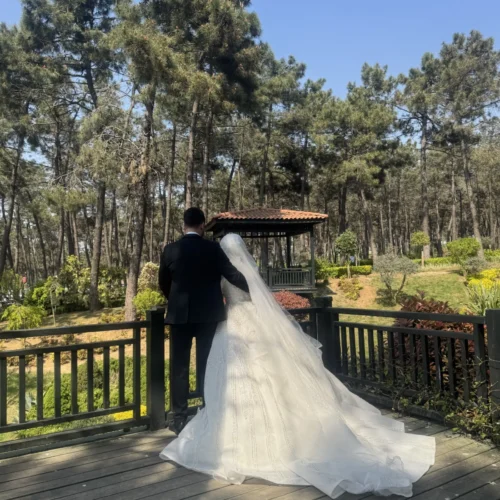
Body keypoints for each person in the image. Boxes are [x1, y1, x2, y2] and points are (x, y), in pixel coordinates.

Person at [160, 233, 436, 499]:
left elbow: (186, 285)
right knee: (265, 373)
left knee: (228, 377)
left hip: (230, 325)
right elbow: (254, 292)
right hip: (251, 321)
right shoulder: (242, 271)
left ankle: (220, 425)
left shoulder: (221, 270)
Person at [159, 208, 249, 435]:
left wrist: (175, 301)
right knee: (206, 364)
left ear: (184, 225)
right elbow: (232, 275)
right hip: (209, 316)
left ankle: (179, 417)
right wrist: (256, 288)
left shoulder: (170, 250)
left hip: (180, 317)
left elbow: (163, 283)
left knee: (179, 367)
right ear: (202, 226)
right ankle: (207, 409)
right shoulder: (213, 249)